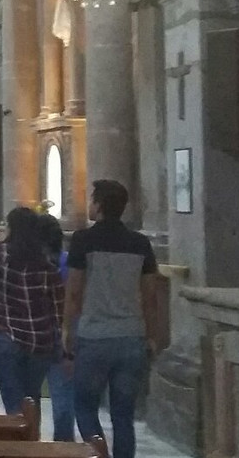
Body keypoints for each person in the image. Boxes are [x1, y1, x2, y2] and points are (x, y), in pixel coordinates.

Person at [64, 180, 158, 458]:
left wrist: (67, 330)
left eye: (93, 200)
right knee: (123, 416)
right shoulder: (140, 243)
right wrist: (152, 336)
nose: (90, 205)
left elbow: (74, 292)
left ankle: (97, 453)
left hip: (94, 336)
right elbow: (150, 297)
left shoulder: (83, 240)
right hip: (131, 337)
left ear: (101, 205)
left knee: (84, 407)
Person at [0, 206, 64, 415]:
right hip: (39, 340)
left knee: (13, 399)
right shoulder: (46, 261)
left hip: (6, 335)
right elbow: (58, 304)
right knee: (32, 398)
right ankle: (31, 439)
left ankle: (18, 440)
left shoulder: (1, 252)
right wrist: (58, 335)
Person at [39, 213, 75, 442]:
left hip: (35, 333)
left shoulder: (30, 265)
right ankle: (64, 446)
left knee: (28, 399)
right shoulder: (70, 262)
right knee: (63, 399)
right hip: (63, 333)